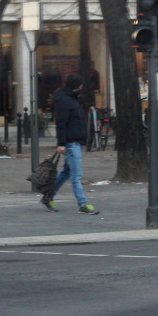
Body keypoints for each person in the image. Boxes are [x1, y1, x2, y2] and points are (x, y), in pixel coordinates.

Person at [42, 73, 98, 213]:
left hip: (74, 141)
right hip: (71, 143)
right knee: (76, 175)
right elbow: (61, 123)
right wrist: (61, 143)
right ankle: (82, 204)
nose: (82, 86)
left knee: (67, 172)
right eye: (80, 84)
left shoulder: (70, 98)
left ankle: (48, 197)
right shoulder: (66, 101)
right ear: (77, 86)